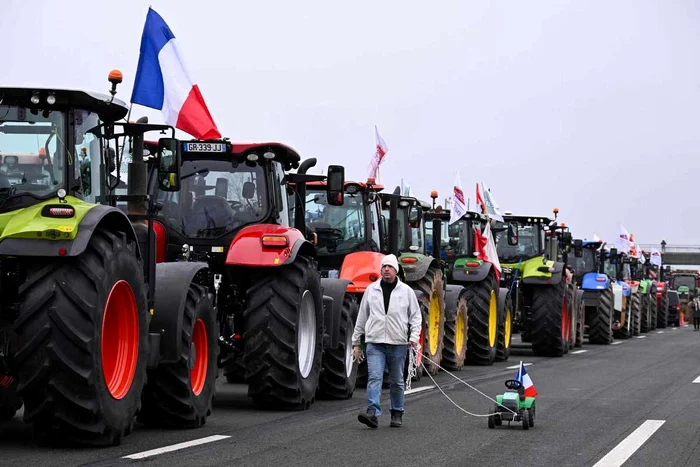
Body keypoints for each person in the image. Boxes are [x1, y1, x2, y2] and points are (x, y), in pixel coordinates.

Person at [352, 254, 422, 429]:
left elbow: (416, 317)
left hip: (398, 344)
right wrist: (355, 342)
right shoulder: (371, 290)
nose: (386, 269)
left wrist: (413, 338)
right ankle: (372, 413)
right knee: (374, 377)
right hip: (375, 343)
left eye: (390, 267)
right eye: (384, 267)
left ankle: (397, 412)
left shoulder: (406, 292)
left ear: (396, 270)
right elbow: (362, 317)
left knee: (397, 380)